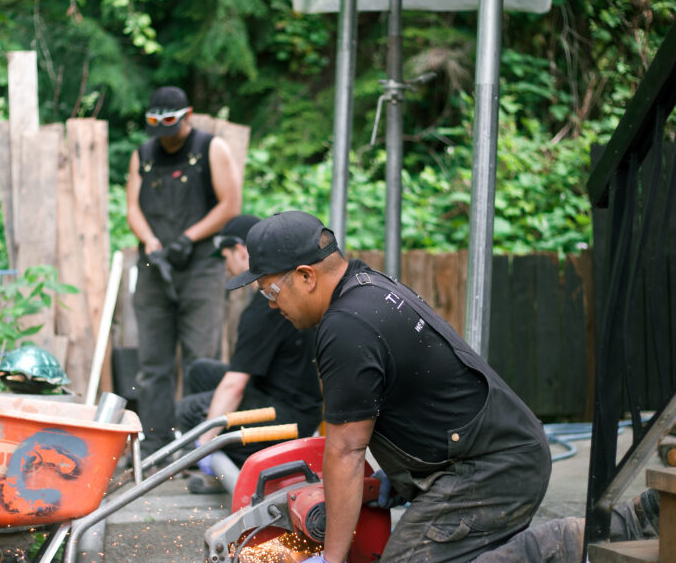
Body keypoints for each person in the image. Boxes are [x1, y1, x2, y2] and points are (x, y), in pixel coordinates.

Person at [225, 210, 552, 563]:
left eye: (270, 291)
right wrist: (401, 477)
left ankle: (561, 546)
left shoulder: (346, 328)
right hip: (491, 454)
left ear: (306, 276)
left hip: (495, 468)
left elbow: (346, 452)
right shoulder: (367, 287)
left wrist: (332, 558)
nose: (272, 304)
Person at [126, 86, 241, 457]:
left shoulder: (212, 149)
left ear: (187, 116)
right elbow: (133, 208)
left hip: (200, 267)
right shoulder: (143, 155)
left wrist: (188, 238)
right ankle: (156, 445)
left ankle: (196, 449)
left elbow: (230, 204)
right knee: (153, 362)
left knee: (199, 359)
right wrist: (150, 242)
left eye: (171, 127)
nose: (165, 137)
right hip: (155, 266)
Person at [175, 214, 323, 491]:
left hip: (288, 420)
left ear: (241, 251)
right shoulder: (275, 297)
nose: (226, 265)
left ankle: (242, 469)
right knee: (201, 371)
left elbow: (234, 386)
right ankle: (222, 465)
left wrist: (203, 444)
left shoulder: (264, 309)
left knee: (190, 411)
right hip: (288, 399)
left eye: (225, 256)